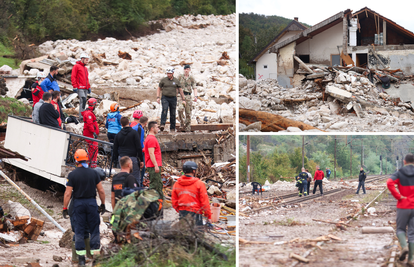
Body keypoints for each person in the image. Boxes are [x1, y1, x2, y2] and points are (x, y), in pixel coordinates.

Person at [62, 149, 106, 265]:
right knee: (94, 230)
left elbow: (68, 193)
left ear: (76, 160)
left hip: (78, 204)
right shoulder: (94, 173)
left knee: (79, 231)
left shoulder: (72, 175)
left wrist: (65, 208)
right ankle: (95, 259)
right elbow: (101, 190)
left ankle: (81, 260)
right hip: (91, 203)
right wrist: (103, 204)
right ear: (87, 159)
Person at [387, 154, 414, 264]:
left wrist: (398, 196)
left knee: (400, 229)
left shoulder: (400, 172)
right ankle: (411, 260)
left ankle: (404, 247)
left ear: (404, 161)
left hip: (403, 205)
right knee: (412, 234)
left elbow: (389, 183)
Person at [172, 161, 211, 227]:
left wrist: (180, 210)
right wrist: (208, 216)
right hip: (196, 213)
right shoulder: (199, 184)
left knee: (184, 234)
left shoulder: (177, 184)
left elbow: (174, 201)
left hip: (182, 213)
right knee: (198, 235)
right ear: (193, 171)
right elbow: (205, 202)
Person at [113, 117, 143, 186]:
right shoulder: (134, 133)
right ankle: (135, 192)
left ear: (121, 124)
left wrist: (118, 157)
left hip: (122, 157)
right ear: (128, 123)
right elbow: (138, 147)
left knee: (123, 176)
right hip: (132, 158)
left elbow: (115, 148)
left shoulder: (118, 135)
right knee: (135, 177)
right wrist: (141, 159)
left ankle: (123, 192)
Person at [156, 67, 186, 132]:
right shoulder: (164, 80)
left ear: (173, 73)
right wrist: (158, 97)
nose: (168, 75)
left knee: (173, 112)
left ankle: (172, 127)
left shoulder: (176, 81)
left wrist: (183, 99)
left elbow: (180, 90)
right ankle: (162, 124)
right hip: (165, 97)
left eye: (170, 73)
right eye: (167, 73)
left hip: (173, 98)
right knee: (165, 109)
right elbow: (159, 88)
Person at [143, 121, 163, 200]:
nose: (158, 129)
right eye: (157, 127)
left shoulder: (149, 138)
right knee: (155, 184)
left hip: (153, 164)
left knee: (158, 183)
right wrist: (156, 165)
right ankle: (153, 202)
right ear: (152, 128)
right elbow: (151, 153)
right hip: (153, 165)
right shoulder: (151, 139)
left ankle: (160, 201)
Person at [177, 65, 197, 132]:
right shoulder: (180, 77)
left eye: (187, 69)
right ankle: (182, 122)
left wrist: (195, 96)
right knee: (180, 109)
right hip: (180, 95)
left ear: (189, 70)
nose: (186, 70)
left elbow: (194, 87)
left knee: (188, 112)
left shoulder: (191, 78)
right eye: (185, 69)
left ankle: (188, 127)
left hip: (188, 95)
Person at [71, 53, 91, 120]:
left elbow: (86, 78)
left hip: (85, 88)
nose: (87, 61)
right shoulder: (76, 66)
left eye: (88, 60)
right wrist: (74, 86)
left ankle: (83, 114)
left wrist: (88, 86)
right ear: (82, 59)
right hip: (79, 87)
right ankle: (81, 117)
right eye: (86, 60)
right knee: (83, 100)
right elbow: (73, 76)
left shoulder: (85, 68)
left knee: (84, 102)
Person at [82, 98, 99, 168]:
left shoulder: (89, 112)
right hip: (90, 134)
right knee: (94, 148)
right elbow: (89, 124)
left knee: (92, 148)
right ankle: (92, 164)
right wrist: (93, 132)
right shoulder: (89, 113)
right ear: (93, 105)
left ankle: (90, 163)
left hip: (90, 133)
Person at [133, 116, 148, 184]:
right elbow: (140, 142)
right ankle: (140, 183)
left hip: (132, 150)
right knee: (142, 167)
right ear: (146, 123)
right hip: (138, 151)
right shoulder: (141, 129)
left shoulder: (134, 127)